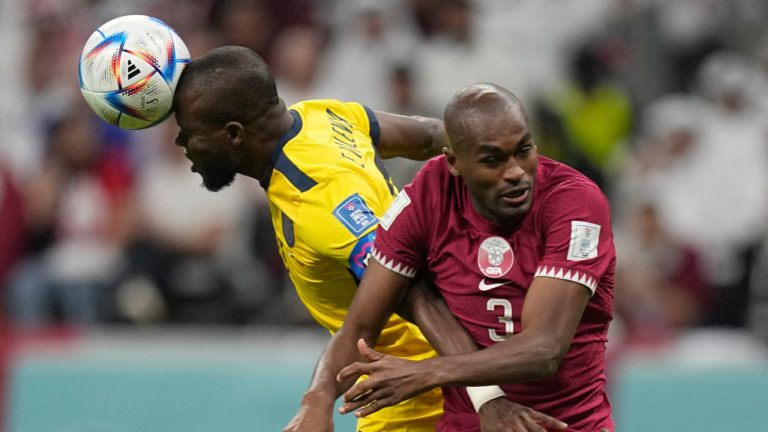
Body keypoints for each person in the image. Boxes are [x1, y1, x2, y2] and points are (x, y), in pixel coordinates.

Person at [172, 46, 563, 432]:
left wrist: (486, 400)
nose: (181, 144)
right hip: (412, 378)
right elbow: (428, 135)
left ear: (234, 135)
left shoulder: (320, 201)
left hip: (417, 393)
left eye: (188, 132)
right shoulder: (318, 116)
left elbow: (413, 291)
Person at [303, 83, 615, 431]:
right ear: (454, 162)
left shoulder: (575, 205)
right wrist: (316, 400)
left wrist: (426, 373)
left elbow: (544, 348)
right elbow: (360, 326)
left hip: (562, 424)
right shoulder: (428, 196)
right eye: (493, 160)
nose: (515, 172)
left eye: (523, 150)